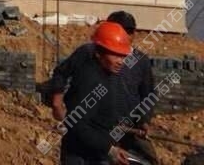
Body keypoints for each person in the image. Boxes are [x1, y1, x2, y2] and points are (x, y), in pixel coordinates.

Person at [49, 12, 158, 163]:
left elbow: (149, 94)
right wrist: (57, 102)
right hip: (88, 145)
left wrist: (143, 120)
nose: (121, 61)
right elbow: (79, 125)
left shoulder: (138, 62)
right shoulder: (88, 68)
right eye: (116, 55)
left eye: (129, 31)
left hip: (117, 134)